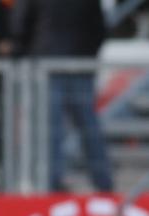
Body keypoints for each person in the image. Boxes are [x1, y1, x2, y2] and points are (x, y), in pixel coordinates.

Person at [12, 0, 113, 192]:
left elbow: (20, 27)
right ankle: (103, 181)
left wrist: (23, 51)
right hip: (78, 65)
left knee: (53, 130)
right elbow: (99, 28)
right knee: (87, 127)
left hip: (48, 65)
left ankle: (53, 183)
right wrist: (87, 57)